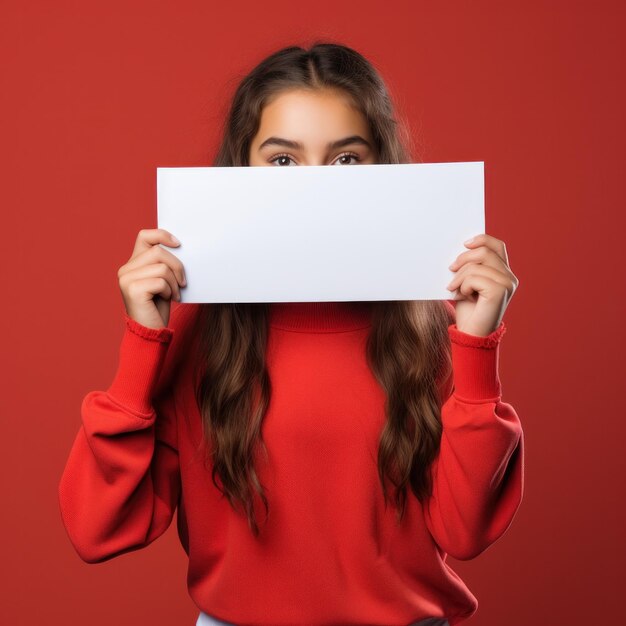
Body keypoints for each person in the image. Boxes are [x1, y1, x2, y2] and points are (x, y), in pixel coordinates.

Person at [58, 41, 523, 626]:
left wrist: (477, 353)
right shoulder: (198, 333)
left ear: (386, 170)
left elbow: (467, 529)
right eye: (282, 161)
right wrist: (141, 346)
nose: (314, 189)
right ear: (240, 173)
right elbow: (96, 530)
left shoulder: (429, 332)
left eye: (346, 160)